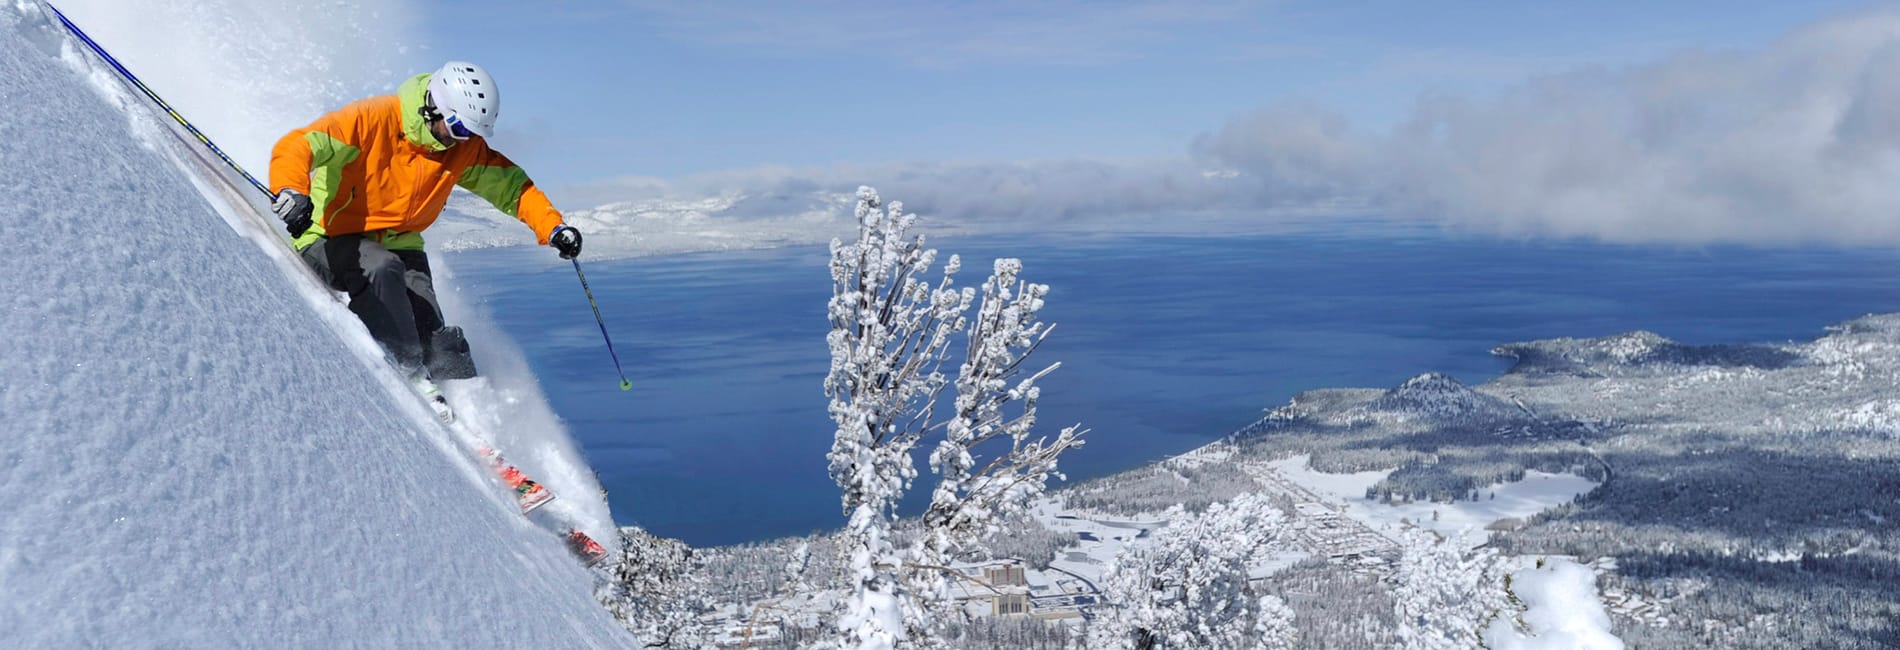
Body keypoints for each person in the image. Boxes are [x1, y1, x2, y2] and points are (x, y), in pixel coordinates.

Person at [268, 61, 582, 420]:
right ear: (433, 106)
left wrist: (553, 227)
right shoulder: (373, 120)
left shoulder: (462, 149)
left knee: (435, 333)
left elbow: (513, 187)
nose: (462, 139)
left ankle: (472, 406)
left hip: (401, 242)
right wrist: (291, 189)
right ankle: (408, 372)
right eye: (459, 127)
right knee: (382, 270)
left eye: (471, 132)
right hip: (329, 234)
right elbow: (299, 144)